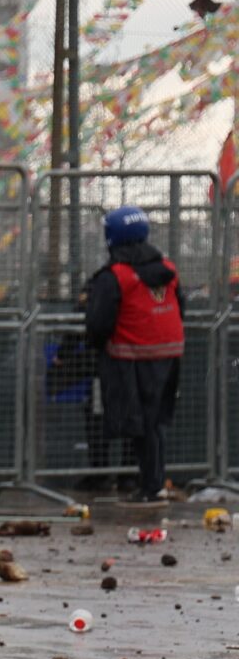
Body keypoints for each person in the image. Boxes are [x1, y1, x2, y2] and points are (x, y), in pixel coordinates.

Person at [82, 203, 185, 503]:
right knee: (154, 422)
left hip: (131, 355)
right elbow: (181, 306)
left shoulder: (115, 275)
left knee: (139, 423)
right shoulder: (168, 268)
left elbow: (99, 321)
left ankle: (150, 486)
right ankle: (152, 482)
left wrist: (96, 345)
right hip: (169, 352)